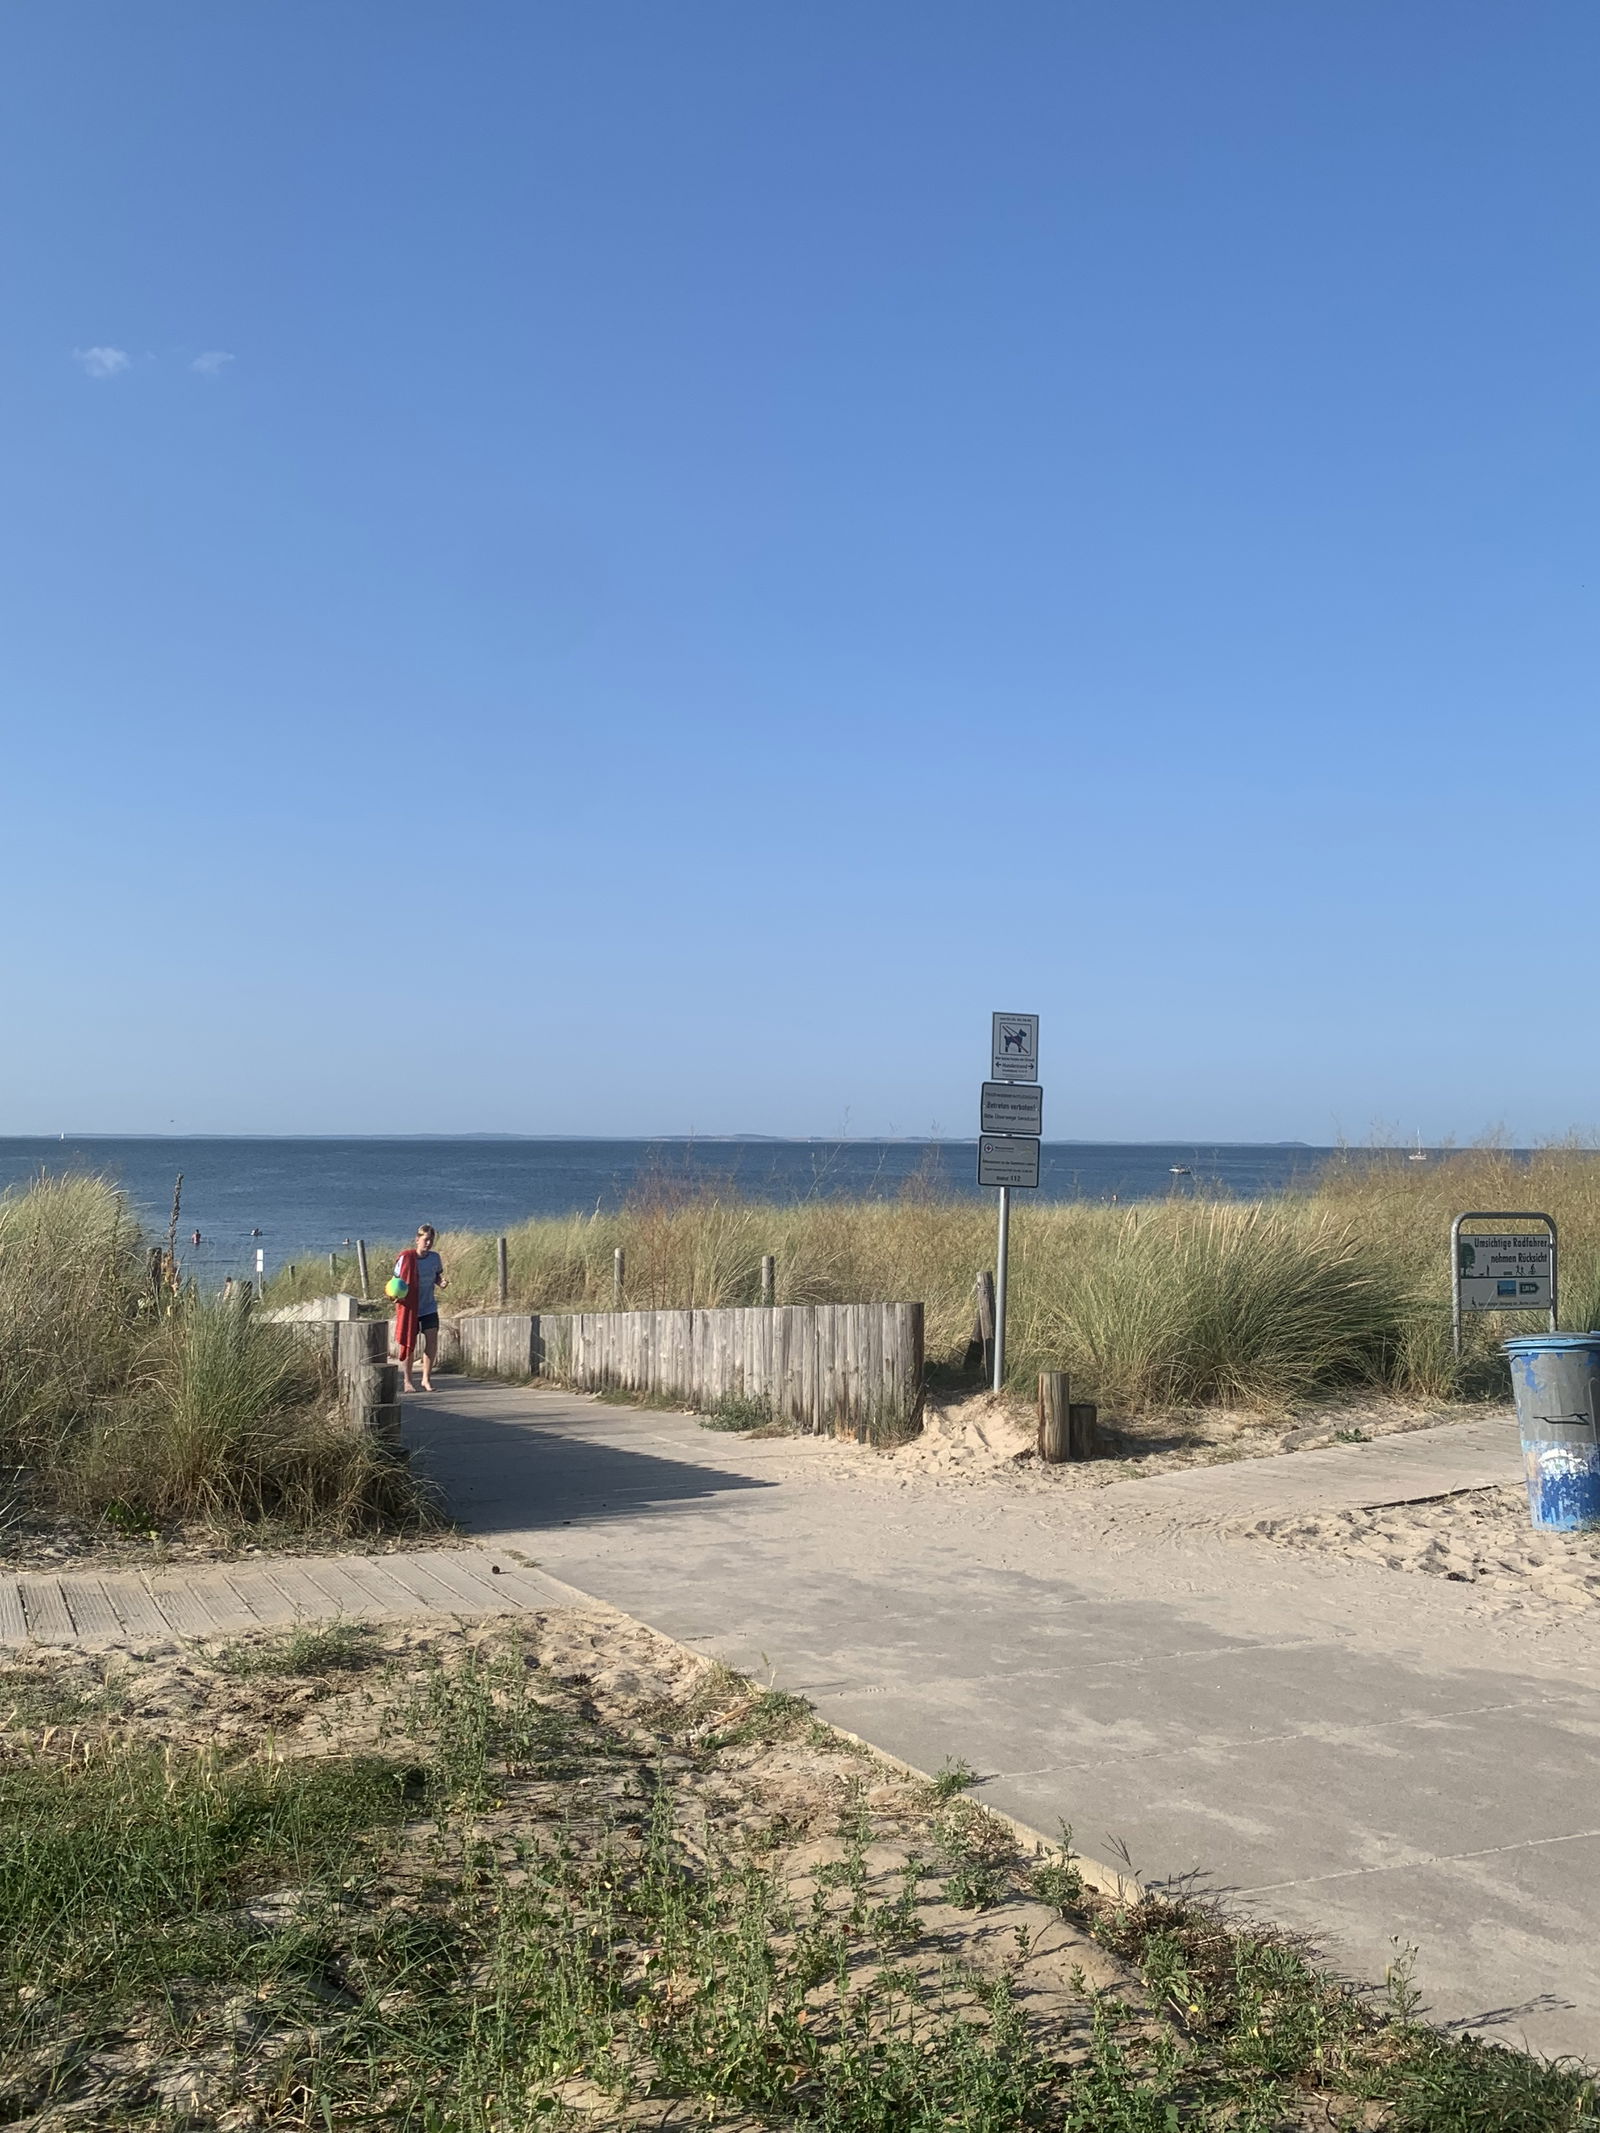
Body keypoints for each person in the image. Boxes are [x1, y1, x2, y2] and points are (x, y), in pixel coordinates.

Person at [394, 1224, 446, 1393]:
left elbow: (436, 1275)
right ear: (417, 1239)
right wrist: (394, 1296)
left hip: (429, 1306)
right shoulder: (406, 1258)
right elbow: (395, 1282)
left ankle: (426, 1379)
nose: (428, 1243)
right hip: (410, 1307)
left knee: (431, 1342)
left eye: (431, 1240)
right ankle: (408, 1381)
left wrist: (441, 1282)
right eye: (425, 1239)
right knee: (409, 1344)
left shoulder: (435, 1258)